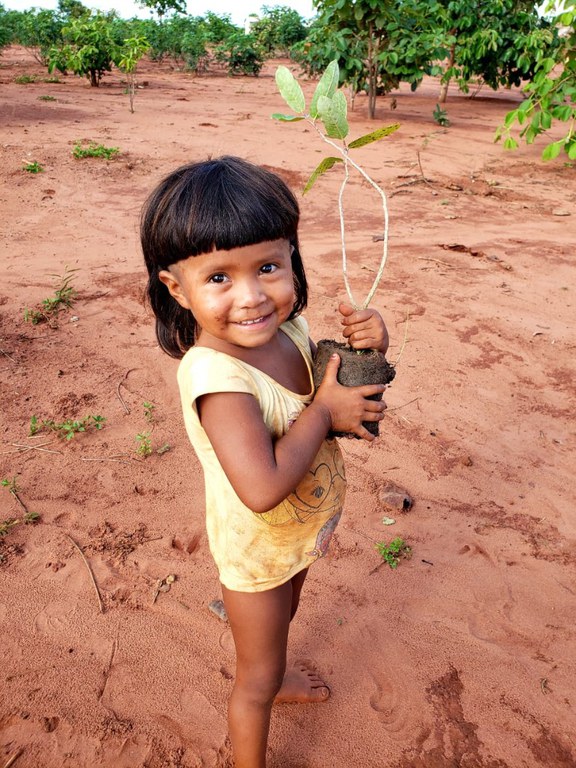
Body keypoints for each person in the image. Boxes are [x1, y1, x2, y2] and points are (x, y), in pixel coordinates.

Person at [141, 156, 389, 768]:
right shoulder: (218, 379)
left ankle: (274, 665)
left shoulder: (292, 329)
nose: (252, 297)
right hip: (256, 551)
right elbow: (261, 488)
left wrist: (372, 349)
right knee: (254, 680)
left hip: (295, 537)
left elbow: (347, 401)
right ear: (177, 288)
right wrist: (324, 412)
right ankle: (262, 706)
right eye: (218, 278)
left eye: (268, 268)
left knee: (289, 608)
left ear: (292, 259)